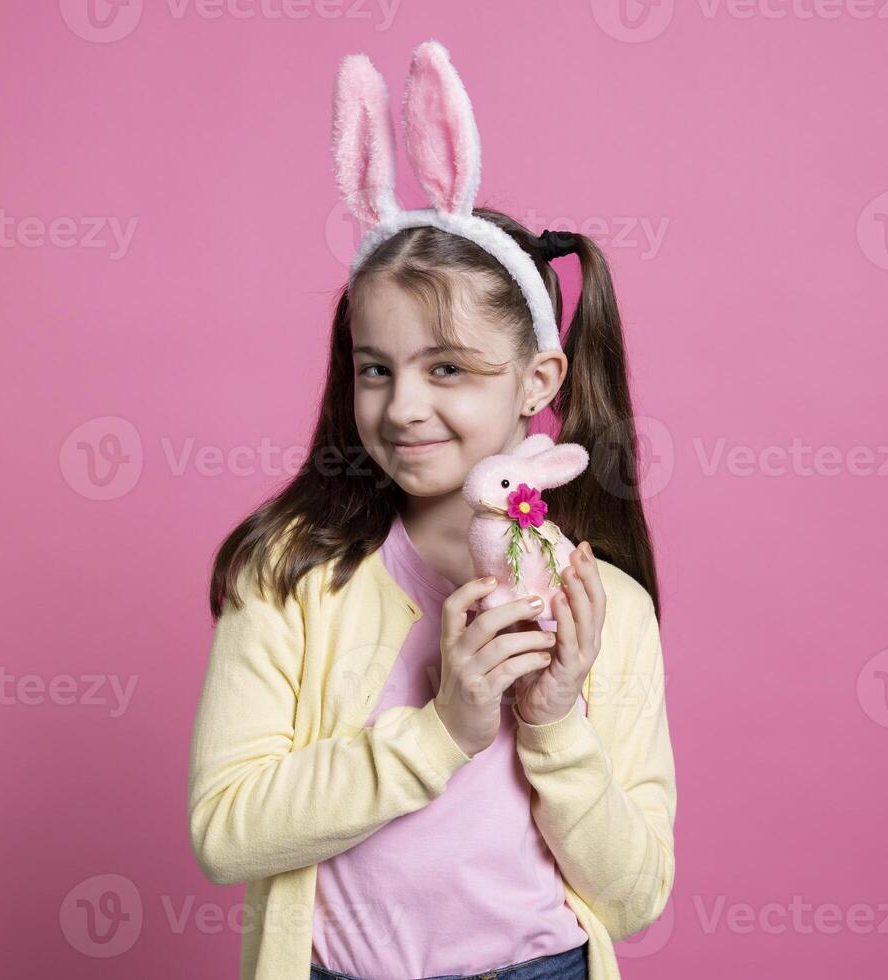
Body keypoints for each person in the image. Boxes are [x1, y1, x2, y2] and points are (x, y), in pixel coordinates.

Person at [188, 40, 676, 980]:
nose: (402, 404)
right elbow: (224, 832)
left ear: (538, 383)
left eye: (446, 367)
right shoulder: (292, 574)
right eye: (378, 368)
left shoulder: (605, 605)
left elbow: (633, 897)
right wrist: (444, 728)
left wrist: (555, 720)